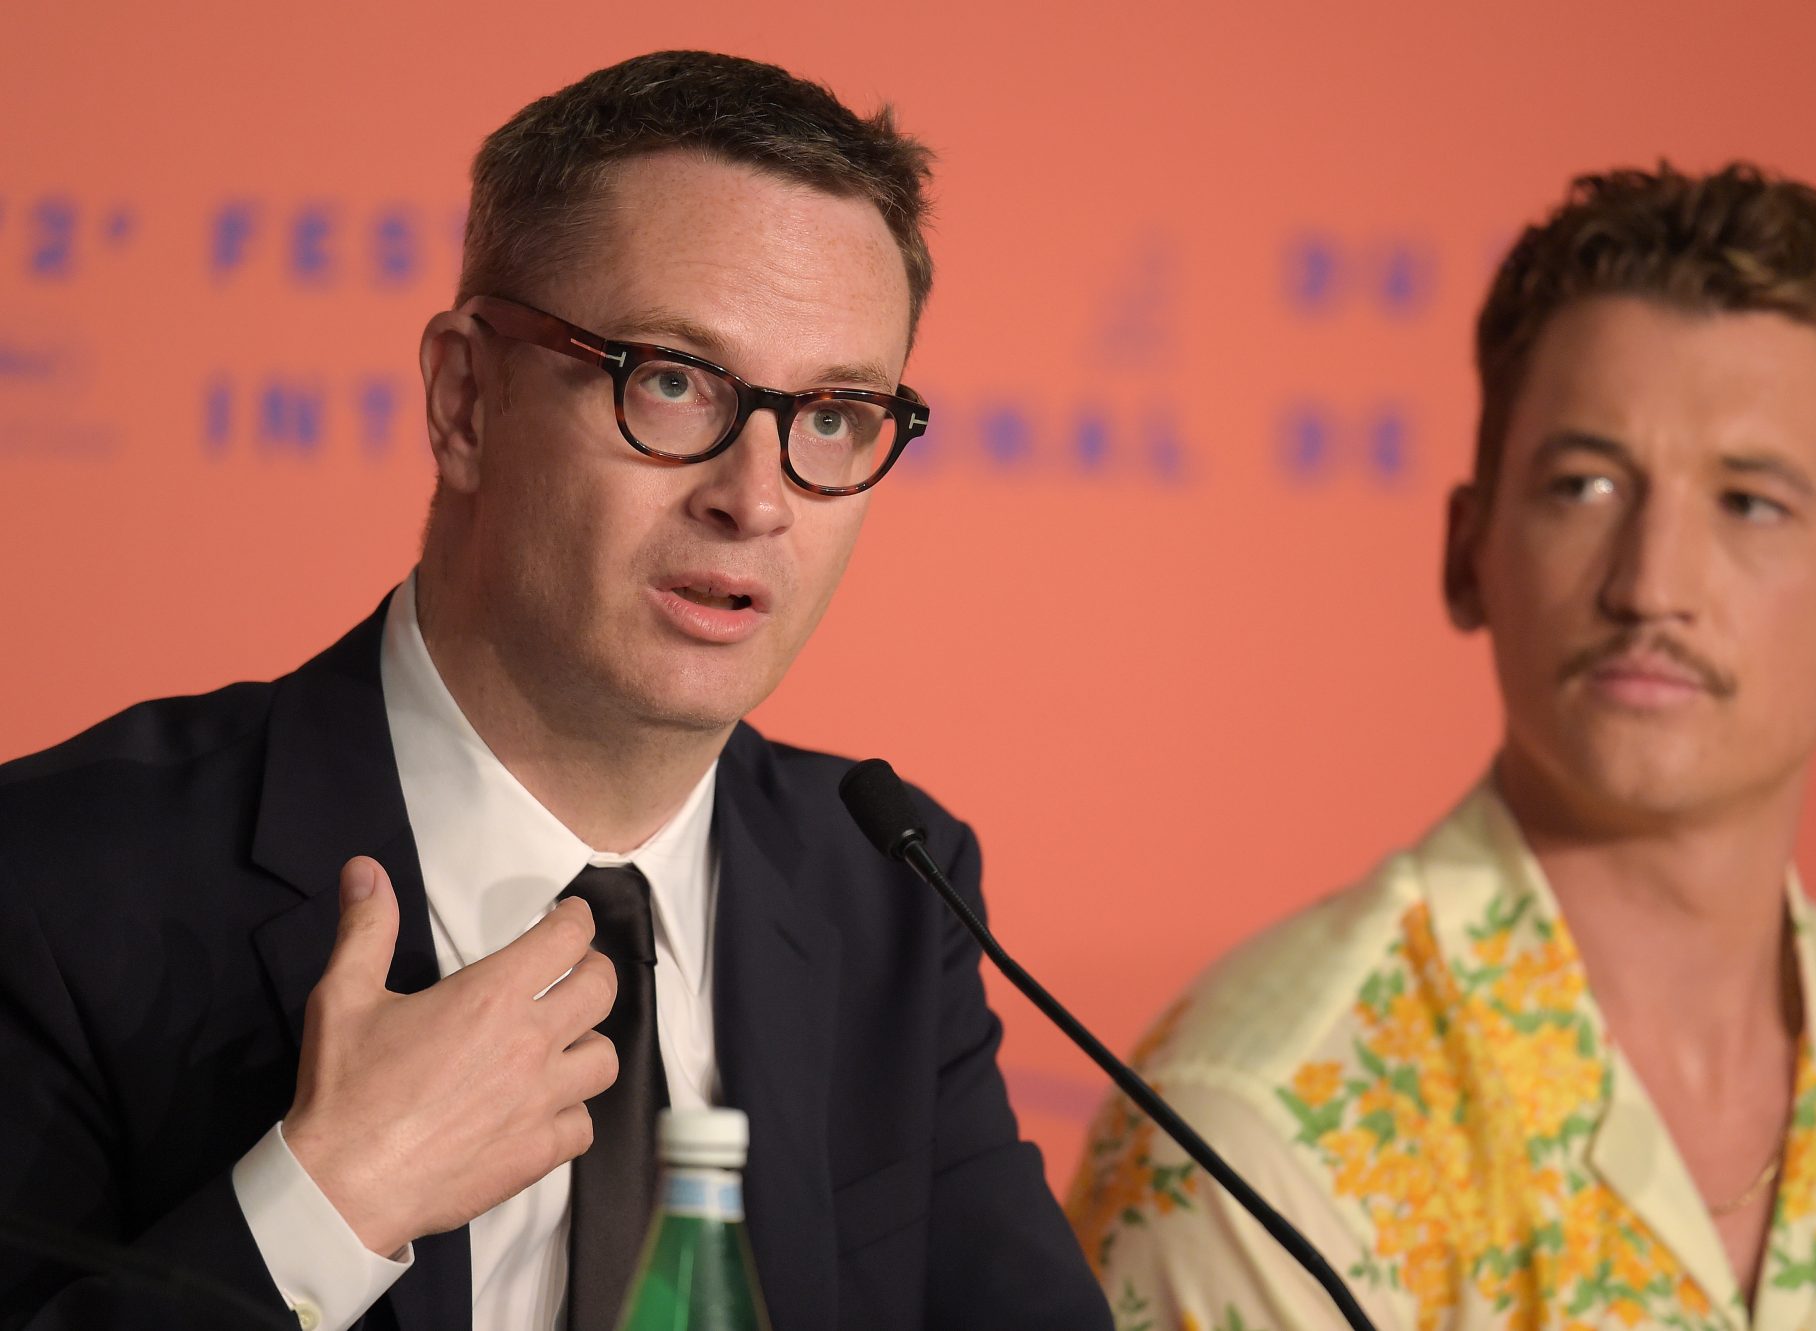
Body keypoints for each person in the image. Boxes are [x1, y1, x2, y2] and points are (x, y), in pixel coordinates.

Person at [0, 50, 1110, 1331]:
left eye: (832, 415)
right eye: (674, 381)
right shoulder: (62, 888)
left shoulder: (886, 893)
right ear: (465, 399)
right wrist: (331, 1198)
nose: (754, 499)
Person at [1067, 163, 1816, 1330]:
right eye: (1584, 484)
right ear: (1468, 552)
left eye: (1749, 502)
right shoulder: (1253, 1130)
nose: (1650, 583)